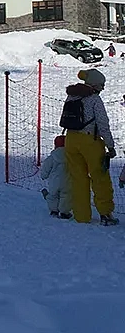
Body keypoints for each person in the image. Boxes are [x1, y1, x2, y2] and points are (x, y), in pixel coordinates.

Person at [59, 68, 117, 226]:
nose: (102, 88)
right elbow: (103, 124)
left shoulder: (71, 96)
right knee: (100, 178)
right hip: (90, 141)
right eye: (101, 84)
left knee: (78, 179)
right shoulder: (94, 99)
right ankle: (106, 213)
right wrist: (110, 146)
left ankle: (81, 215)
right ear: (94, 84)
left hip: (71, 140)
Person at [40, 135, 70, 218]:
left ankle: (54, 211)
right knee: (66, 196)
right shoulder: (71, 157)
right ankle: (64, 212)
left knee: (52, 196)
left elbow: (46, 168)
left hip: (54, 181)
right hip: (67, 181)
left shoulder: (52, 158)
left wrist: (44, 175)